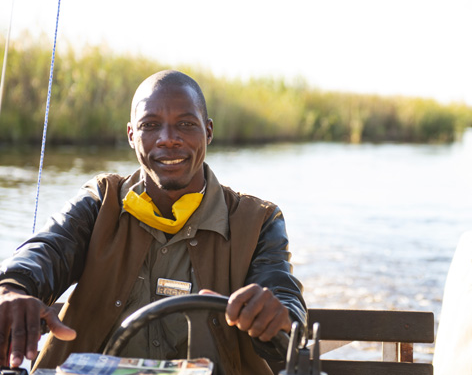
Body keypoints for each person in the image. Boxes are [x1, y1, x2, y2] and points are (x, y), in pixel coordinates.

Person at [0, 70, 306, 375]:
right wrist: (13, 288)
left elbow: (285, 306)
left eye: (186, 124)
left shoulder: (259, 220)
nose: (168, 139)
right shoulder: (100, 201)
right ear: (132, 136)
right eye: (150, 125)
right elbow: (47, 251)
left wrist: (278, 318)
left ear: (208, 132)